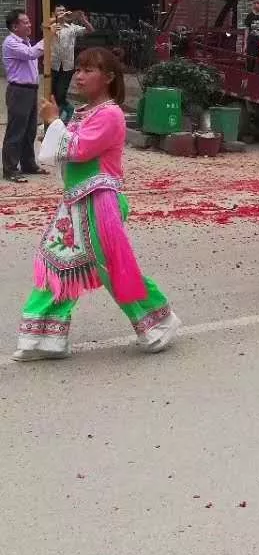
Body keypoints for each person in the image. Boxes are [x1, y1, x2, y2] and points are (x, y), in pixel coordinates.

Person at [14, 48, 180, 361]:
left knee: (112, 269)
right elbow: (56, 153)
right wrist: (51, 123)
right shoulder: (84, 112)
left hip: (99, 201)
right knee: (58, 264)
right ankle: (45, 336)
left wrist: (53, 124)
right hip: (74, 201)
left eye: (88, 70)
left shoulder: (111, 114)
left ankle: (158, 321)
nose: (78, 75)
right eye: (78, 69)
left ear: (109, 77)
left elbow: (78, 149)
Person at [3, 8, 45, 183]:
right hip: (19, 90)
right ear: (14, 26)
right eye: (25, 22)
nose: (29, 25)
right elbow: (31, 54)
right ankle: (10, 169)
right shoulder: (11, 43)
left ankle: (28, 164)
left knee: (29, 130)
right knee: (16, 131)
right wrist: (48, 36)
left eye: (29, 22)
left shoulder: (27, 42)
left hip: (30, 89)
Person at [49, 6, 92, 118]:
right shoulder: (51, 25)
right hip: (52, 65)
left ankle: (66, 113)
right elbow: (43, 25)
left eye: (63, 10)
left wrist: (83, 19)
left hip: (67, 66)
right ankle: (56, 117)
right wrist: (57, 18)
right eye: (59, 11)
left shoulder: (71, 27)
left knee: (60, 94)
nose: (62, 13)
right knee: (51, 94)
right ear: (54, 13)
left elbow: (90, 30)